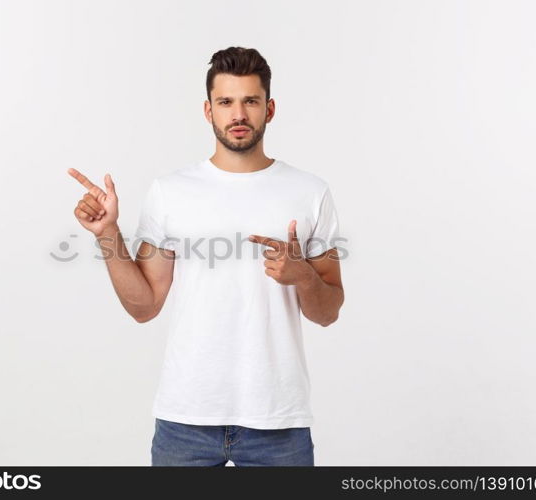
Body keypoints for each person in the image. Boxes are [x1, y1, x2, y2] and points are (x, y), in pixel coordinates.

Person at [67, 46, 345, 466]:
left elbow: (328, 312)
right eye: (226, 102)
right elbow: (144, 306)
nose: (238, 114)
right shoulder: (170, 192)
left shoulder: (309, 192)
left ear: (269, 109)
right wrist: (107, 234)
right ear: (207, 110)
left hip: (278, 420)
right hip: (187, 418)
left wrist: (303, 276)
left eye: (250, 101)